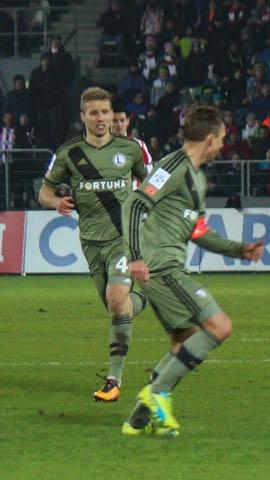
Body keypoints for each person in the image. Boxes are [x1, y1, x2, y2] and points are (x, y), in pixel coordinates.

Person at [120, 104, 264, 436]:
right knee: (219, 326)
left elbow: (197, 231)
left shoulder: (196, 177)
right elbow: (135, 203)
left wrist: (238, 250)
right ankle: (157, 396)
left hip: (165, 267)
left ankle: (138, 420)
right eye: (222, 138)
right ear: (210, 138)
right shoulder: (172, 167)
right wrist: (136, 257)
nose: (223, 145)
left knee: (181, 345)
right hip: (162, 268)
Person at [38, 87, 149, 402]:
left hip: (123, 238)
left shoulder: (129, 150)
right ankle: (148, 299)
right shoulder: (69, 153)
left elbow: (150, 184)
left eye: (106, 112)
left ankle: (114, 380)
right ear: (83, 116)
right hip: (90, 242)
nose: (101, 119)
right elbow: (44, 192)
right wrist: (55, 202)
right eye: (95, 113)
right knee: (118, 308)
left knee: (116, 301)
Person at [111, 102, 153, 188]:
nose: (119, 124)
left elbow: (148, 171)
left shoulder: (138, 145)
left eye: (122, 120)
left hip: (134, 195)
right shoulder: (102, 147)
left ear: (127, 121)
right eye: (115, 121)